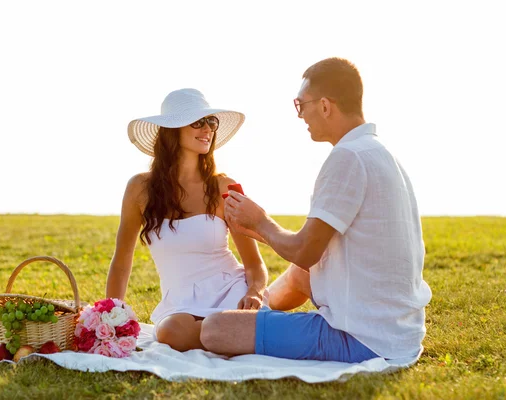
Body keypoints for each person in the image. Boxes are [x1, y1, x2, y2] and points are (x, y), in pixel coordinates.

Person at [200, 58, 433, 363]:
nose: (300, 115)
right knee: (301, 275)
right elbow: (308, 264)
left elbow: (305, 250)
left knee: (214, 329)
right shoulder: (377, 152)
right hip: (397, 332)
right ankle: (262, 309)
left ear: (325, 106)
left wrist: (260, 222)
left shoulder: (347, 157)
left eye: (301, 105)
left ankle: (250, 322)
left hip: (360, 339)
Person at [105, 88, 268, 352]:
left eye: (211, 122)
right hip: (180, 306)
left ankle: (238, 332)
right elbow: (122, 261)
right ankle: (243, 337)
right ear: (172, 130)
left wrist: (255, 292)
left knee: (218, 324)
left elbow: (254, 264)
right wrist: (109, 316)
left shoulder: (223, 187)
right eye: (198, 122)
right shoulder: (139, 188)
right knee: (170, 332)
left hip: (232, 293)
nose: (208, 129)